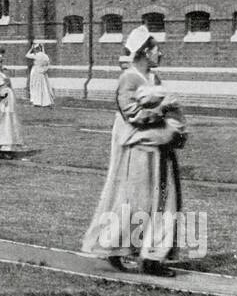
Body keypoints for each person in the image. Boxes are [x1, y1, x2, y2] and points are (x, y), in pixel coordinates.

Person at [80, 25, 186, 277]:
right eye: (156, 49)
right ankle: (119, 248)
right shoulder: (129, 78)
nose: (160, 53)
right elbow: (132, 113)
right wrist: (162, 110)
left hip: (158, 145)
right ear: (145, 52)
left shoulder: (153, 79)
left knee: (163, 201)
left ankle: (152, 256)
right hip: (138, 147)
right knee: (136, 200)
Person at [26, 41, 54, 107]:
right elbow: (48, 64)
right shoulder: (45, 56)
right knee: (43, 87)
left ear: (37, 49)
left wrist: (31, 49)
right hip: (42, 73)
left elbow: (27, 55)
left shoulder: (36, 55)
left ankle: (37, 102)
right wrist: (44, 70)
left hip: (36, 72)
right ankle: (44, 102)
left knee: (35, 86)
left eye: (35, 49)